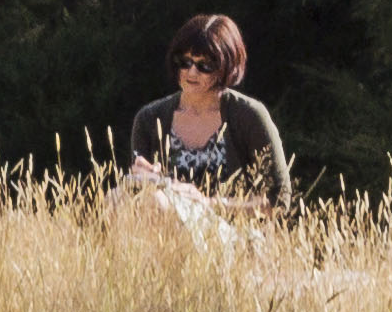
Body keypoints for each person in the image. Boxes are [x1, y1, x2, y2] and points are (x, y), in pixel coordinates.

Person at [122, 12, 290, 209]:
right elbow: (137, 195)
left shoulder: (249, 116)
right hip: (164, 229)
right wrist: (142, 177)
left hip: (230, 229)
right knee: (116, 198)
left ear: (226, 68)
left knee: (159, 203)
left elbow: (279, 200)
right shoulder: (150, 118)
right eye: (185, 62)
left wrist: (207, 204)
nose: (192, 72)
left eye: (205, 66)